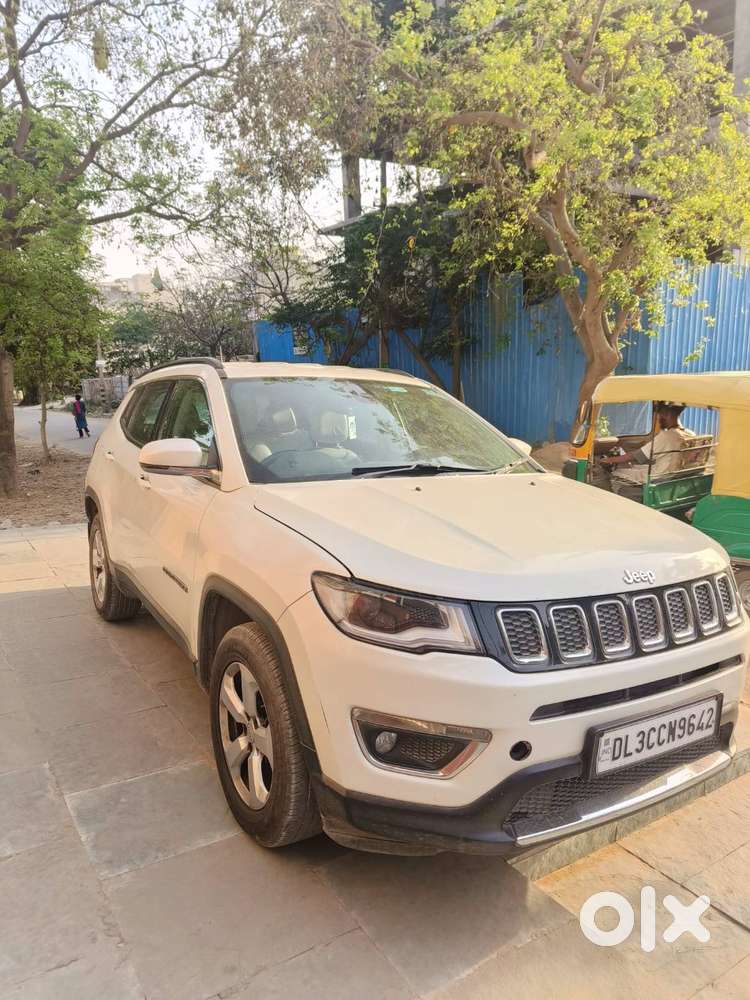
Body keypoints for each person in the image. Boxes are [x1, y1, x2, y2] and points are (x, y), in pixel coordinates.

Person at [599, 402, 694, 497]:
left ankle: (617, 501)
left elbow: (637, 456)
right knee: (635, 468)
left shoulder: (666, 436)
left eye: (659, 415)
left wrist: (609, 460)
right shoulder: (690, 434)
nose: (658, 418)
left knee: (617, 473)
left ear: (666, 414)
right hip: (674, 475)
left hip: (660, 477)